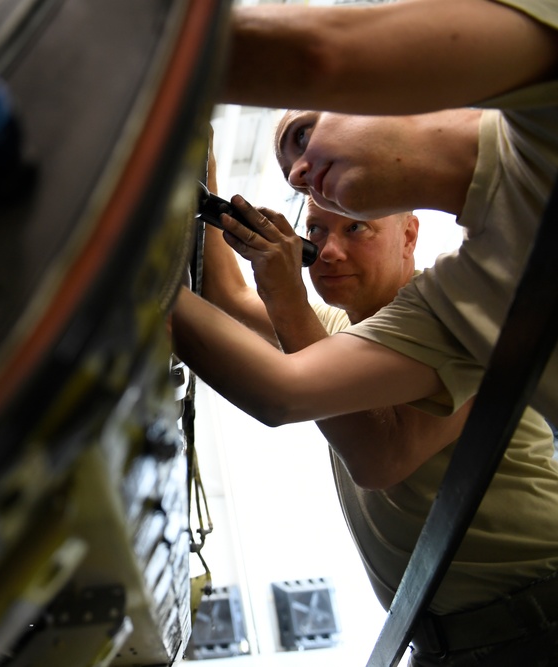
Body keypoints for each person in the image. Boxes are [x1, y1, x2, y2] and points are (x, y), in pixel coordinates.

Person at [197, 162, 558, 662]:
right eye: (316, 231)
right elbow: (229, 297)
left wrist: (284, 295)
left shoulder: (456, 315)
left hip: (539, 624)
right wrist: (201, 164)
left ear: (409, 235)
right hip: (445, 644)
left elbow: (382, 456)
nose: (328, 251)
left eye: (356, 227)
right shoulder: (340, 329)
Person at [173, 0, 558, 430]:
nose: (300, 172)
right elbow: (282, 391)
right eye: (299, 188)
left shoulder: (543, 111)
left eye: (303, 135)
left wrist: (143, 69)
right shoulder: (459, 303)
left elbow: (321, 55)